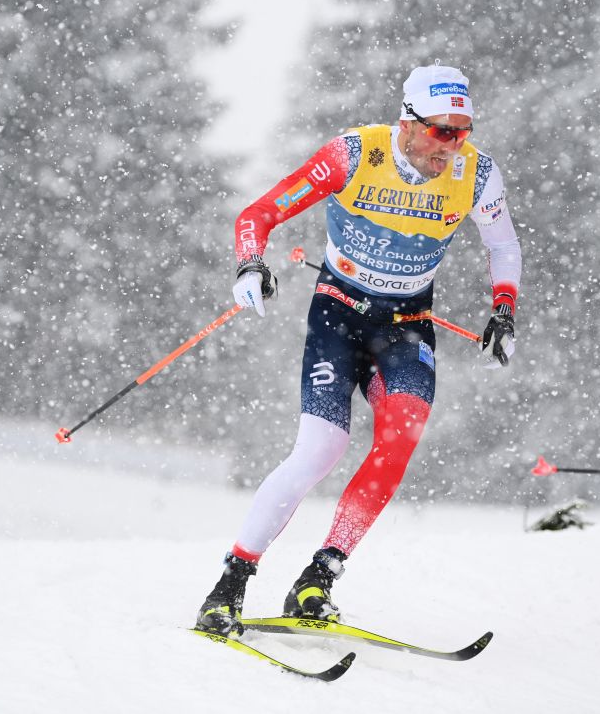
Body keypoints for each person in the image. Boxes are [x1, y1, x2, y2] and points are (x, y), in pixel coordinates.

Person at [196, 62, 523, 636]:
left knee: (400, 439)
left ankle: (318, 578)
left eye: (463, 132)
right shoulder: (353, 154)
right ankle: (230, 583)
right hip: (339, 314)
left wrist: (504, 308)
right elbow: (259, 214)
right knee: (320, 450)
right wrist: (250, 262)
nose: (452, 146)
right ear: (408, 122)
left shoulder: (477, 173)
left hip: (407, 323)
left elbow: (503, 245)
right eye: (442, 131)